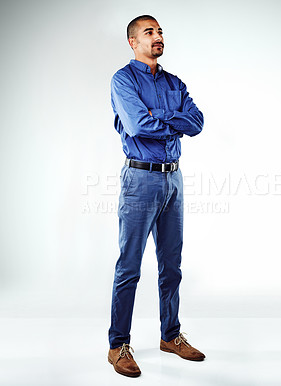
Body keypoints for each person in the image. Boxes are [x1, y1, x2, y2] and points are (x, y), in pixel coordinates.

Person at [107, 15, 205, 378]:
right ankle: (118, 345)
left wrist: (160, 114)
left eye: (160, 31)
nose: (157, 36)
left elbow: (197, 122)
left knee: (172, 266)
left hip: (173, 181)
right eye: (149, 32)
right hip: (140, 180)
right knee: (129, 267)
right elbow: (136, 125)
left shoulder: (174, 81)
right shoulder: (123, 80)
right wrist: (172, 118)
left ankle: (170, 336)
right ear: (133, 42)